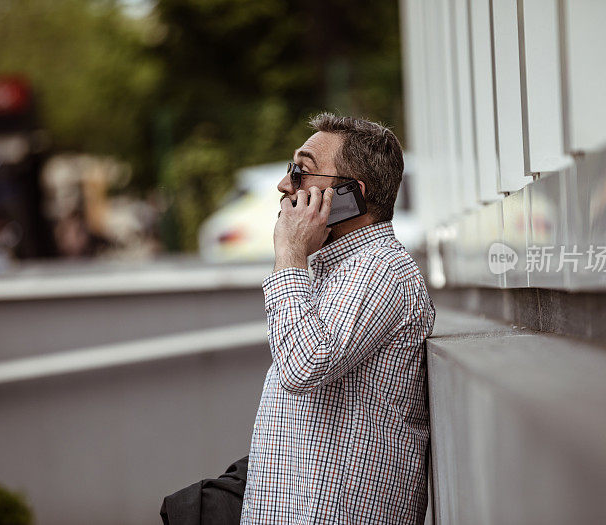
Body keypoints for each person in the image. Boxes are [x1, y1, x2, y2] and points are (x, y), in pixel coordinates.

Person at [160, 114, 435, 524]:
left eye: (302, 171)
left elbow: (304, 366)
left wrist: (289, 254)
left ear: (350, 195)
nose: (285, 185)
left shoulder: (380, 270)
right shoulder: (336, 272)